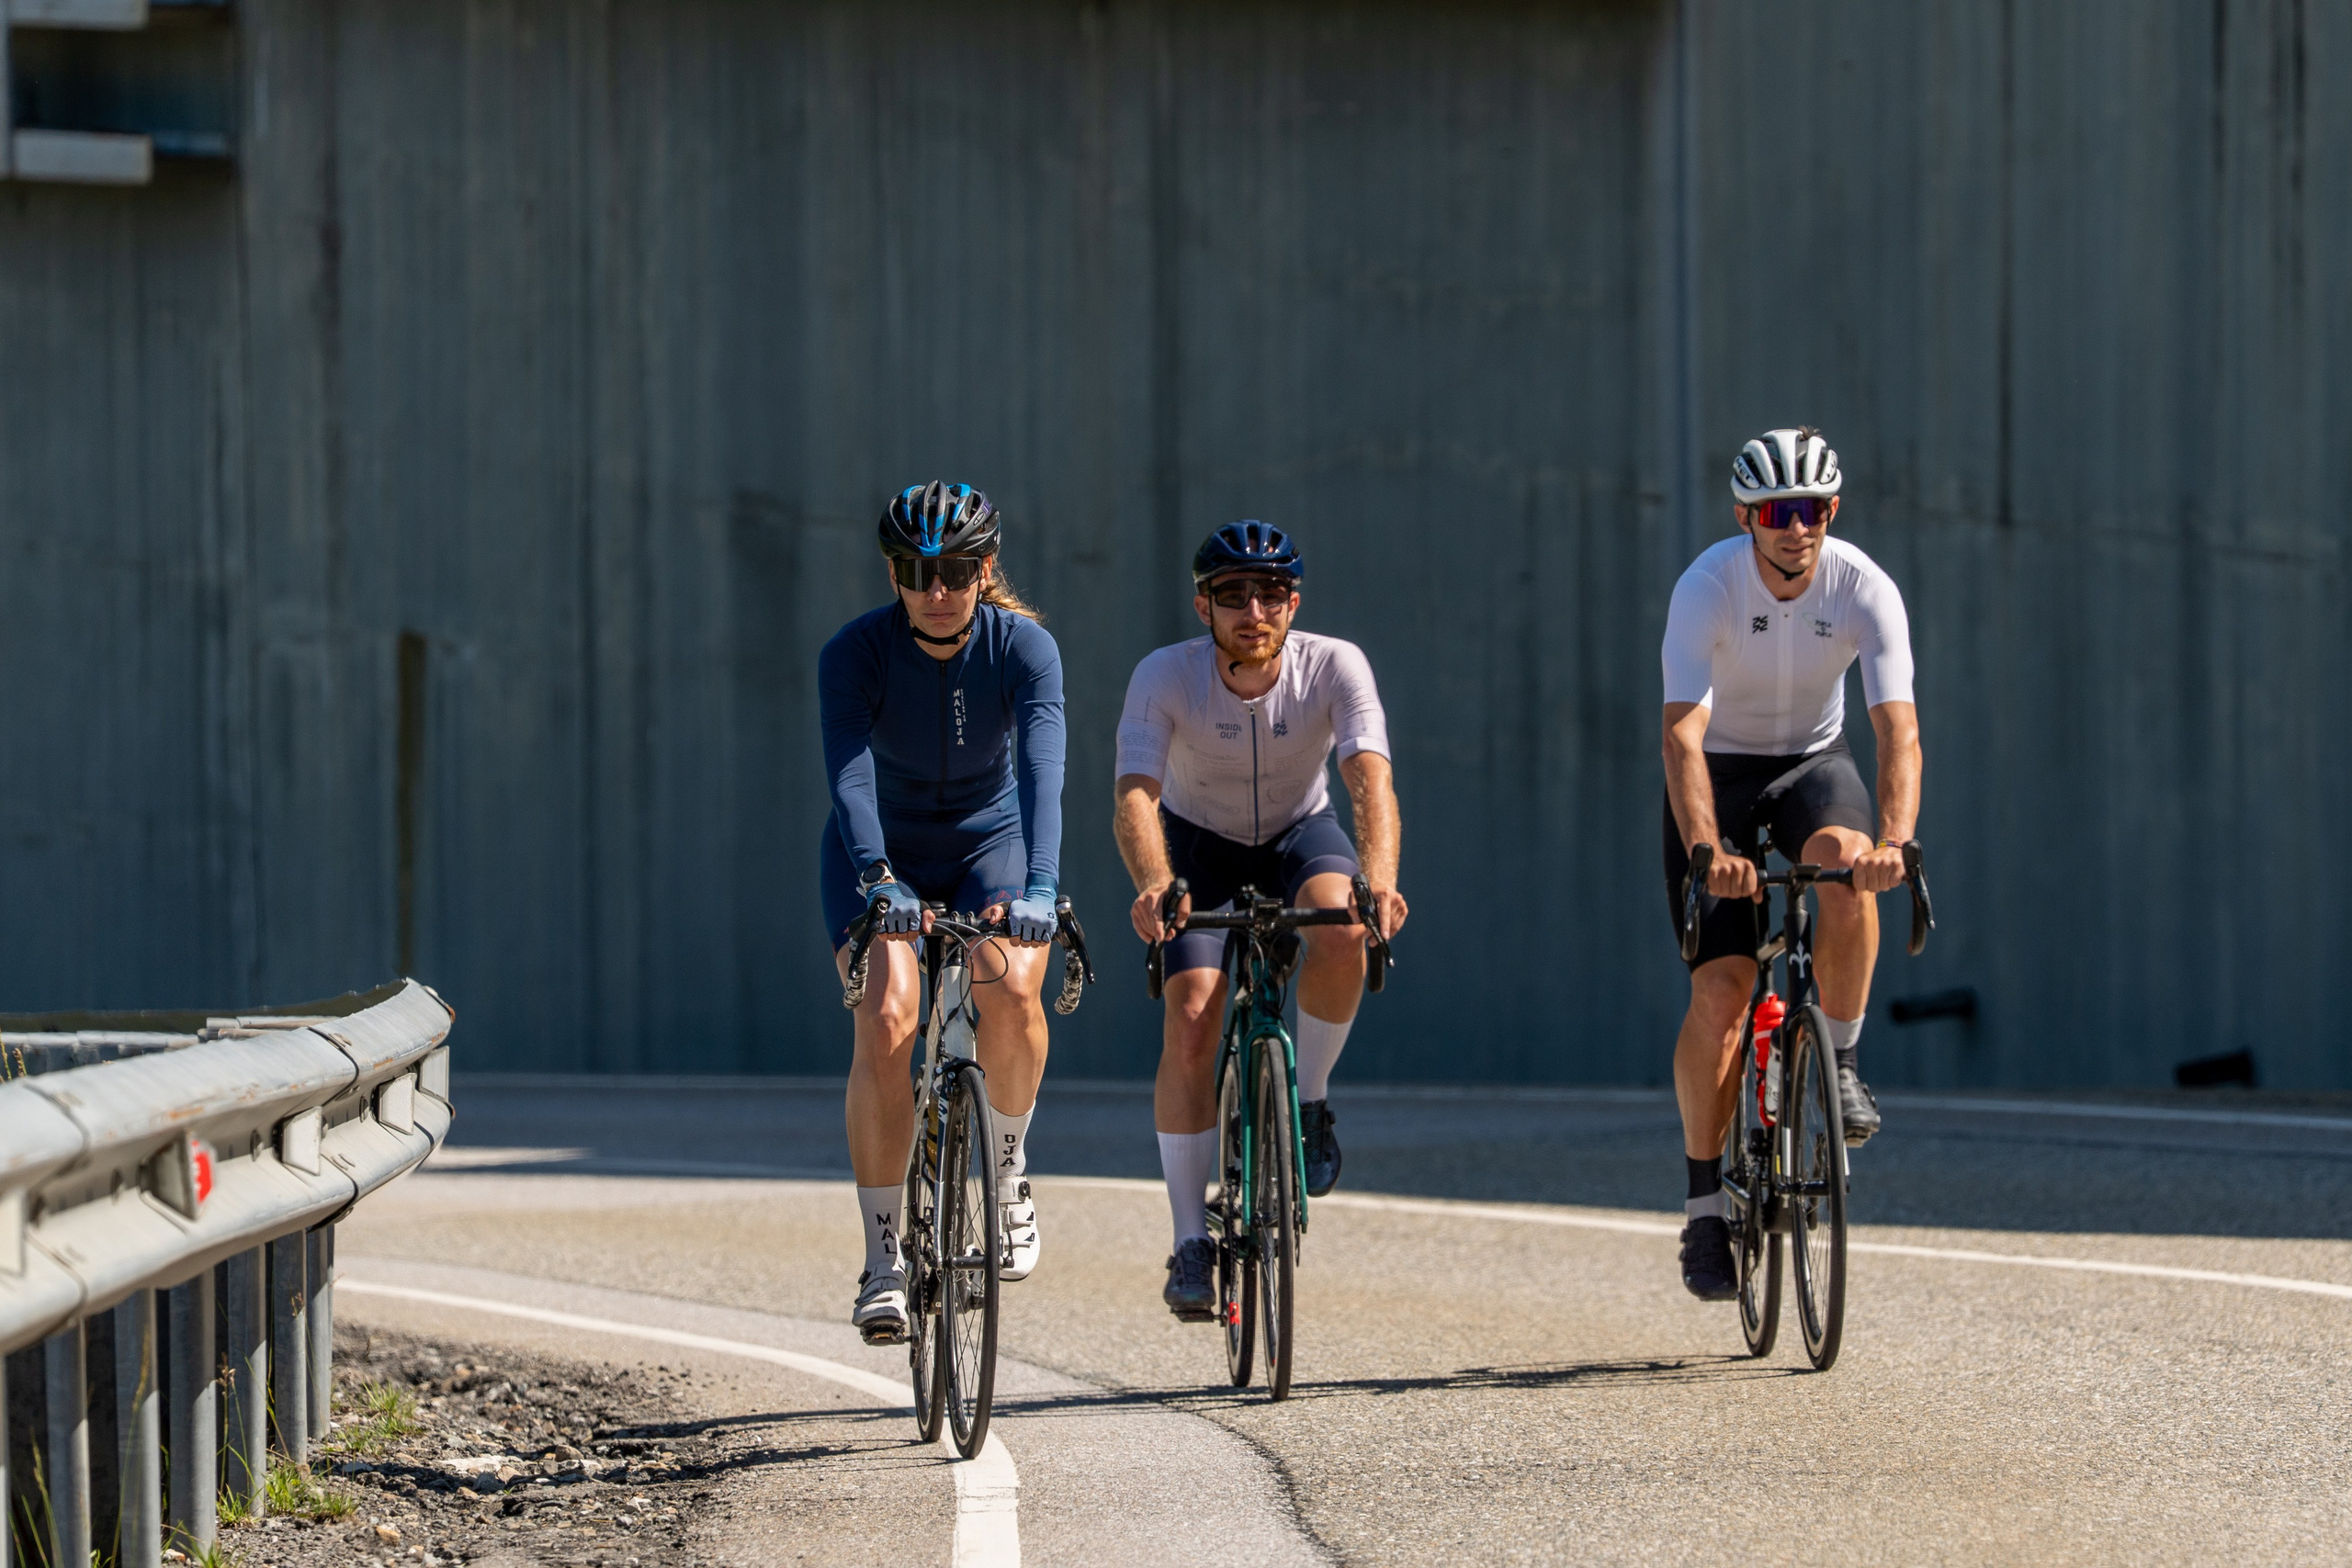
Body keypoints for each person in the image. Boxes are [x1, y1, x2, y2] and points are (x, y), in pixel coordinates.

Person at [1113, 521, 1408, 1319]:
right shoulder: (1164, 675)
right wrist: (1155, 882)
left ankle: (1308, 1099)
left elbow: (1368, 780)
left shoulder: (1333, 664)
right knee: (1195, 1014)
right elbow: (1136, 794)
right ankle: (1189, 1239)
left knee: (1344, 927)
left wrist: (1378, 880)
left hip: (1297, 834)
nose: (1254, 608)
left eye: (1271, 592)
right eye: (1234, 594)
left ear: (1293, 602)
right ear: (1202, 604)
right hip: (1198, 846)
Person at [1660, 427, 1922, 1301]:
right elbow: (1681, 735)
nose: (1795, 528)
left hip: (1814, 764)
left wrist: (1894, 840)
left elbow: (1897, 729)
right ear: (1747, 518)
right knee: (1723, 995)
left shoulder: (1862, 585)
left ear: (1830, 512)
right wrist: (1708, 849)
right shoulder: (1708, 586)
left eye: (1809, 511)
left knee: (1848, 869)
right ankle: (1704, 1208)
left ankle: (1840, 1063)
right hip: (1718, 776)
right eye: (1777, 512)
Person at [819, 481, 1066, 1344]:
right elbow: (849, 781)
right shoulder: (854, 653)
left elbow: (1042, 776)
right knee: (888, 1015)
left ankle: (1006, 1172)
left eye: (957, 569)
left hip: (990, 847)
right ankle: (883, 1258)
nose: (937, 588)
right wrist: (880, 879)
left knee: (1014, 987)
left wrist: (1040, 889)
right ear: (894, 572)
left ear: (985, 568)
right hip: (881, 851)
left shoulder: (1025, 649)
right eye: (919, 570)